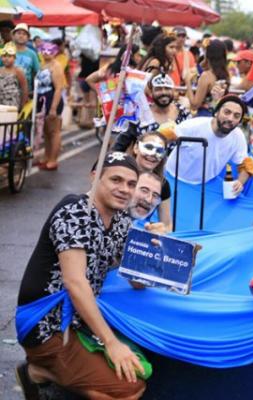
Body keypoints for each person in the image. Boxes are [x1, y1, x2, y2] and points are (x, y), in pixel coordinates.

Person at [15, 152, 146, 399]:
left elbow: (137, 282)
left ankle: (44, 372)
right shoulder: (75, 211)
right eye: (115, 180)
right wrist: (111, 343)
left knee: (139, 371)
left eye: (131, 184)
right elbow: (75, 283)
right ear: (95, 177)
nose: (124, 189)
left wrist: (149, 247)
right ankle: (40, 369)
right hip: (48, 325)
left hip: (80, 322)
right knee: (128, 391)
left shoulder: (121, 221)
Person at [165, 95, 253, 194]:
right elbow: (164, 137)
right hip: (172, 178)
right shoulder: (193, 125)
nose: (230, 118)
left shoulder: (238, 136)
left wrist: (239, 182)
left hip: (206, 185)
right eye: (227, 112)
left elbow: (246, 164)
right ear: (216, 112)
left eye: (236, 116)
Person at [112, 73, 190, 151]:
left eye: (167, 88)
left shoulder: (184, 113)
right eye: (158, 89)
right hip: (147, 161)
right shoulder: (140, 115)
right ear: (151, 93)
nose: (163, 92)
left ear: (173, 91)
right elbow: (119, 145)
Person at [131, 131, 172, 231]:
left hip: (138, 239)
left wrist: (160, 232)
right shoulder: (119, 173)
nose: (153, 154)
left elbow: (167, 225)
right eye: (149, 147)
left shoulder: (163, 185)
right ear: (136, 148)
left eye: (159, 151)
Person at [36, 42, 67, 171]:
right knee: (46, 131)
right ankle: (47, 156)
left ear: (54, 52)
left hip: (52, 100)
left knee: (54, 131)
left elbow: (59, 88)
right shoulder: (44, 65)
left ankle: (53, 159)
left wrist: (53, 107)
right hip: (42, 101)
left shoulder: (56, 66)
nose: (45, 53)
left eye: (49, 51)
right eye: (43, 50)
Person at [186, 39, 229, 116]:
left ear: (207, 54)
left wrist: (188, 82)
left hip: (205, 117)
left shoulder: (206, 76)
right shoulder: (226, 74)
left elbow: (194, 105)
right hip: (219, 116)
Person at [5, 23, 39, 96]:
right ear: (13, 36)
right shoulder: (6, 51)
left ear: (27, 38)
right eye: (19, 33)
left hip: (26, 93)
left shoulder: (32, 54)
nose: (21, 36)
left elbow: (37, 73)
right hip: (6, 92)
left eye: (24, 34)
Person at [0, 42, 28, 110]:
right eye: (4, 56)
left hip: (13, 101)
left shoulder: (18, 71)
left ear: (14, 58)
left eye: (9, 56)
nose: (6, 59)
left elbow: (24, 88)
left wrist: (23, 104)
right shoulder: (0, 70)